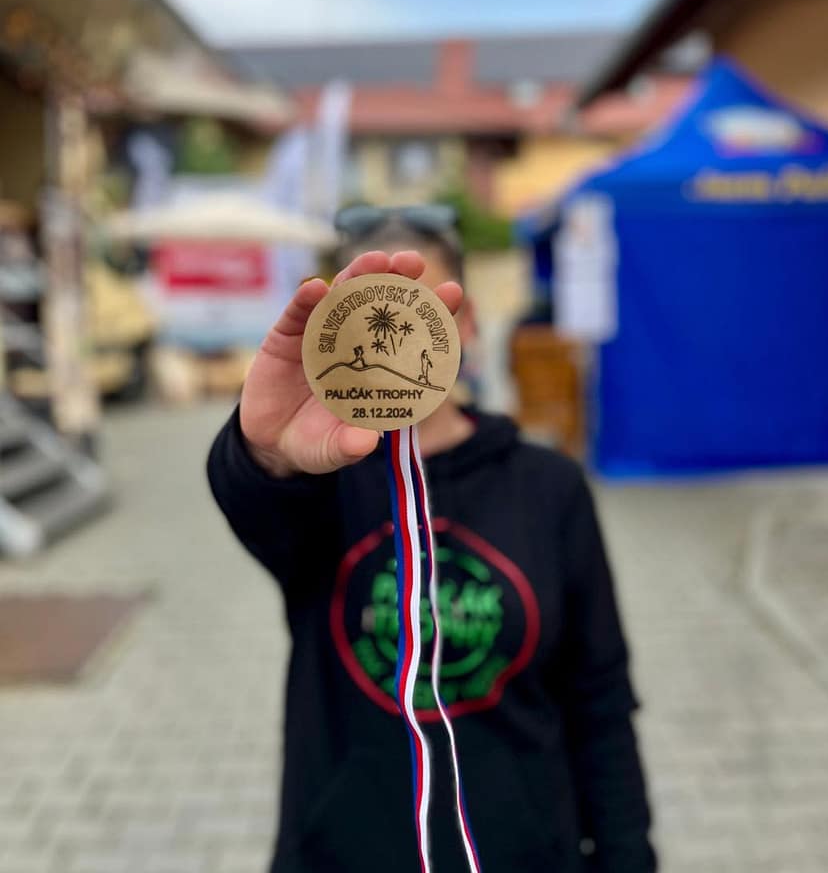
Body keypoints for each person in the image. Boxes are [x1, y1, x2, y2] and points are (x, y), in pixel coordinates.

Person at [207, 207, 656, 873]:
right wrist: (267, 453)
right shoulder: (322, 484)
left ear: (465, 325)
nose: (396, 340)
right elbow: (255, 497)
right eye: (370, 319)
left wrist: (626, 857)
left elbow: (599, 697)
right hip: (341, 854)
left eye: (428, 313)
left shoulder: (548, 485)